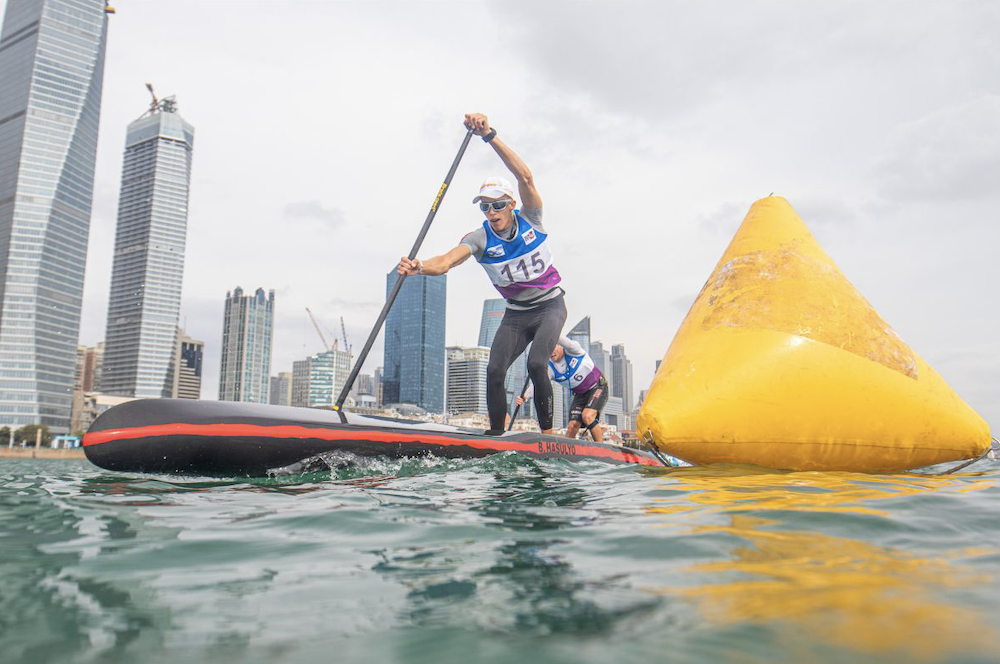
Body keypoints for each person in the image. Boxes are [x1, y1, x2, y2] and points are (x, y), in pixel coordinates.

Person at [398, 113, 566, 433]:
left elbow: (526, 177)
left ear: (511, 204)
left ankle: (549, 437)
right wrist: (418, 266)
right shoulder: (480, 238)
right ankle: (496, 436)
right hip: (516, 315)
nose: (491, 212)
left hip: (549, 308)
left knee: (535, 364)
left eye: (497, 205)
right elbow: (447, 260)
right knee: (494, 371)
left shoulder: (531, 217)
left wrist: (489, 136)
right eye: (484, 207)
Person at [516, 336, 609, 442]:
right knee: (572, 426)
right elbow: (538, 384)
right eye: (547, 351)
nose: (551, 353)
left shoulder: (574, 350)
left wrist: (549, 330)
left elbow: (563, 340)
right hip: (580, 395)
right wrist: (525, 396)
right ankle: (567, 454)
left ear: (560, 345)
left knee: (587, 416)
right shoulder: (550, 368)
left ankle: (601, 446)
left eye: (552, 347)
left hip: (598, 386)